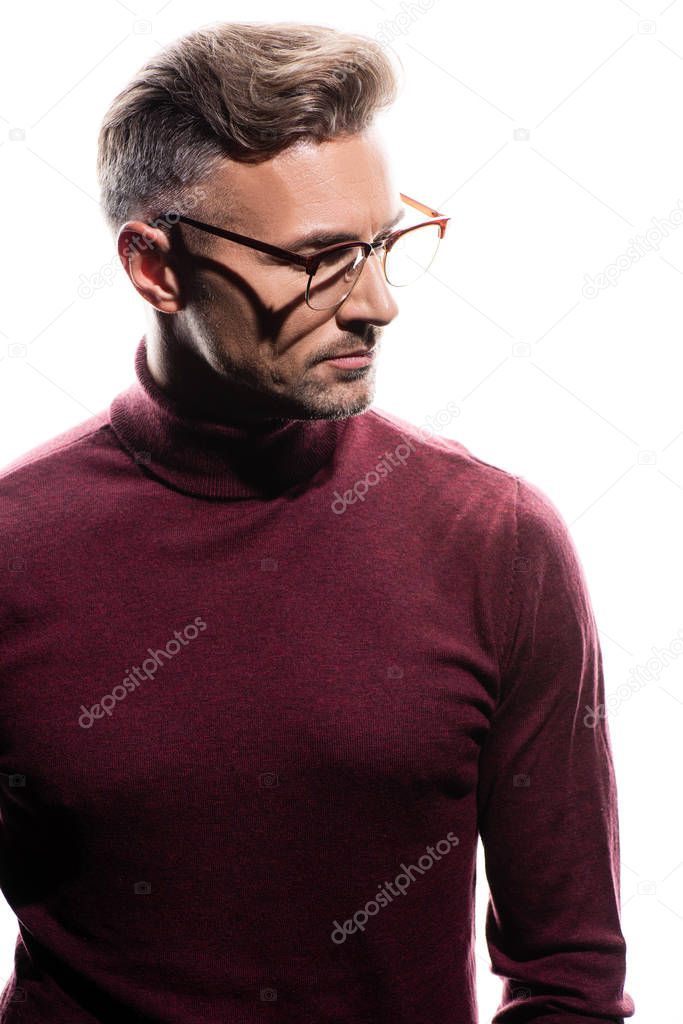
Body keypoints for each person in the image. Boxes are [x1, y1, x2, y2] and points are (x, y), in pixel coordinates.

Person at [0, 20, 635, 1024]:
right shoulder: (12, 551)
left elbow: (569, 979)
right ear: (154, 267)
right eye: (320, 260)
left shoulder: (497, 540)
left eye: (383, 245)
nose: (377, 303)